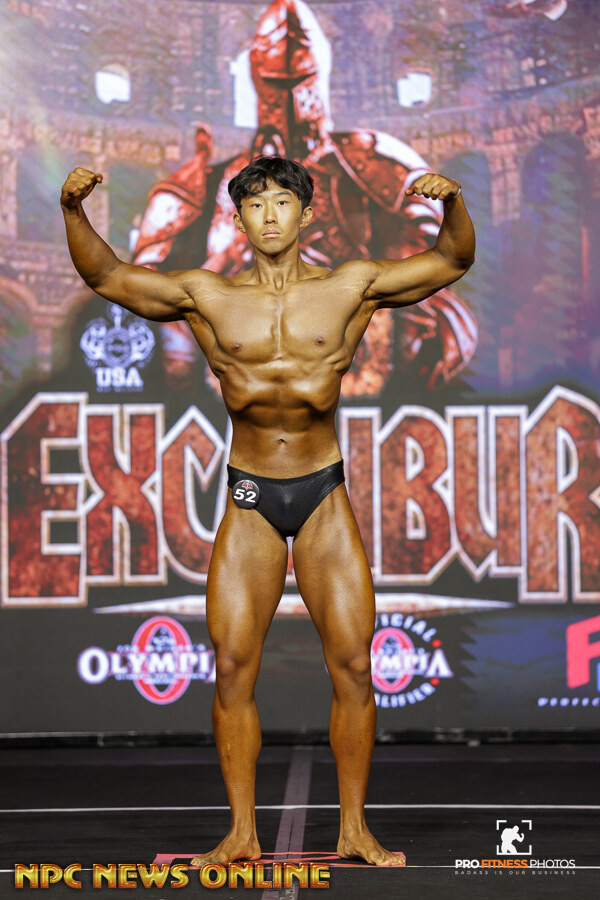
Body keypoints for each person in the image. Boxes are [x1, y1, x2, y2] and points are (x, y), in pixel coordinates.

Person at [60, 155, 475, 867]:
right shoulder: (207, 295)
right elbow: (108, 277)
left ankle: (354, 829)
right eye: (256, 205)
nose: (271, 215)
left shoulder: (351, 286)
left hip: (322, 495)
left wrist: (454, 202)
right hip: (251, 496)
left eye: (283, 202)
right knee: (232, 667)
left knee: (353, 665)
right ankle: (241, 834)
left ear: (306, 213)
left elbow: (451, 260)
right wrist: (73, 212)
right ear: (240, 219)